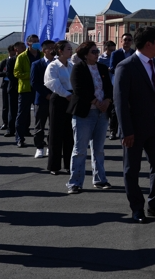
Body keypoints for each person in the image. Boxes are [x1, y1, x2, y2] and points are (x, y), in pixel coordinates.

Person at [115, 26, 155, 222]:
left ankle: (154, 204)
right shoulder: (126, 66)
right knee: (132, 169)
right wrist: (126, 131)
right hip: (134, 128)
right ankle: (137, 208)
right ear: (148, 44)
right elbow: (120, 102)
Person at [67, 41, 113, 192]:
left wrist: (107, 100)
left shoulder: (102, 68)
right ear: (85, 54)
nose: (97, 54)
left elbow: (109, 87)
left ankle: (100, 179)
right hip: (84, 113)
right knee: (80, 149)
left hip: (102, 113)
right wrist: (95, 102)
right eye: (93, 52)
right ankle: (75, 183)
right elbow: (78, 89)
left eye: (97, 51)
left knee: (98, 149)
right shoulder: (78, 68)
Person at [44, 41, 75, 175]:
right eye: (68, 49)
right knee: (56, 133)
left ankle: (69, 164)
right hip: (59, 99)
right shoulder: (53, 66)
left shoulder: (72, 65)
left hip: (71, 99)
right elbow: (52, 83)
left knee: (70, 133)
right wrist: (67, 95)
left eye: (71, 49)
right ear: (60, 51)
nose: (71, 51)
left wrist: (73, 95)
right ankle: (54, 165)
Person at [13, 34, 40, 148]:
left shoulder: (42, 55)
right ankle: (20, 138)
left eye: (37, 41)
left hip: (39, 89)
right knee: (22, 115)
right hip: (25, 89)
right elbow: (16, 73)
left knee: (40, 116)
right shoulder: (22, 56)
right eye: (33, 41)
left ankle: (39, 139)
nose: (36, 43)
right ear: (28, 43)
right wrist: (31, 75)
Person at [29, 40, 55, 159]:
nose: (53, 50)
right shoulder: (37, 64)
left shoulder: (58, 63)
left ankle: (51, 146)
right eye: (50, 48)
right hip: (41, 99)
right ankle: (39, 147)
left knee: (53, 125)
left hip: (55, 98)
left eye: (54, 47)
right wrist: (46, 94)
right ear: (44, 50)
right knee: (40, 125)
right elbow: (34, 82)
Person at [107, 33, 135, 139]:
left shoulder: (134, 53)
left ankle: (129, 130)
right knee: (116, 108)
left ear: (131, 42)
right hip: (118, 83)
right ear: (121, 41)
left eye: (129, 40)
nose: (127, 42)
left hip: (131, 84)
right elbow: (112, 68)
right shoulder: (116, 54)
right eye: (125, 40)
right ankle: (113, 131)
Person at [3, 42, 24, 137]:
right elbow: (9, 74)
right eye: (22, 47)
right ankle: (10, 129)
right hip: (13, 88)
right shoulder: (11, 60)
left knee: (24, 110)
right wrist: (19, 80)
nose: (24, 49)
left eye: (24, 47)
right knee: (12, 110)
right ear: (16, 49)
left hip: (24, 88)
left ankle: (24, 129)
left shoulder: (26, 59)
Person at [0, 45, 15, 133]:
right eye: (13, 51)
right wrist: (7, 73)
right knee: (5, 105)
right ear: (9, 52)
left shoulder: (17, 60)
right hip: (6, 84)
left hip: (14, 84)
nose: (14, 53)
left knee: (14, 105)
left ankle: (14, 123)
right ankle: (5, 122)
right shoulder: (5, 61)